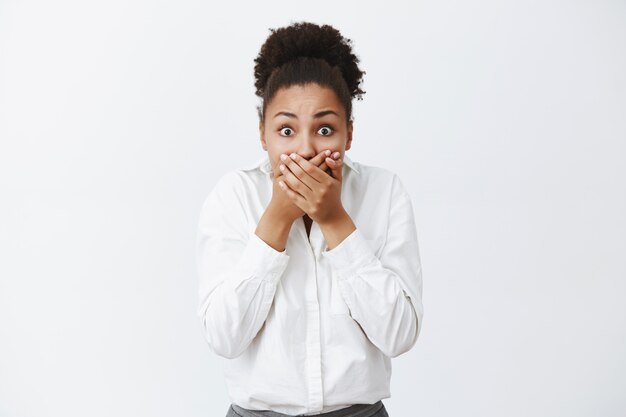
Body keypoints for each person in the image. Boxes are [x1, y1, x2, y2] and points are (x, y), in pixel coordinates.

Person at [196, 21, 424, 417]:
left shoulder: (383, 192)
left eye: (324, 129)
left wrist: (335, 221)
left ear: (348, 134)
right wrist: (276, 220)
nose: (304, 149)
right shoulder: (233, 196)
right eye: (286, 129)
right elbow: (223, 337)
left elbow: (399, 335)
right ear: (263, 134)